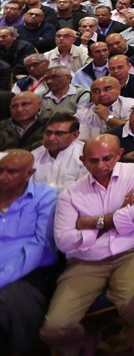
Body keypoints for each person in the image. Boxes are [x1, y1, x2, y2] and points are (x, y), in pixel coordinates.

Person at [41, 134, 134, 356]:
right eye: (93, 160)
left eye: (107, 158)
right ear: (83, 161)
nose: (101, 165)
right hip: (85, 260)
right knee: (55, 328)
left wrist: (87, 223)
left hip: (129, 251)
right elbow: (65, 241)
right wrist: (116, 216)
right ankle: (84, 337)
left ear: (119, 154)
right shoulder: (70, 195)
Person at [0, 149, 60, 355]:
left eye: (11, 171)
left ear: (29, 174)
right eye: (0, 170)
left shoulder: (45, 197)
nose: (3, 176)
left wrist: (2, 278)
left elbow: (40, 246)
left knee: (7, 302)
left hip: (30, 272)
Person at [31, 111, 87, 190]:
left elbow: (84, 191)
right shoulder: (34, 155)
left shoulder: (85, 156)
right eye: (48, 133)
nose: (51, 138)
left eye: (59, 133)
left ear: (75, 135)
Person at [75, 76, 134, 140]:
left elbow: (133, 130)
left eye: (107, 89)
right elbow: (80, 139)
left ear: (119, 90)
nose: (102, 94)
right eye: (96, 91)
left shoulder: (131, 105)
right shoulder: (84, 113)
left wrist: (108, 117)